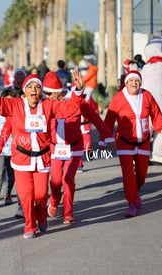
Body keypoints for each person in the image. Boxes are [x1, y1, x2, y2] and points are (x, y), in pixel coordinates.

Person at [0, 64, 85, 239]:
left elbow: (69, 108)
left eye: (37, 87)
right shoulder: (15, 105)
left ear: (41, 92)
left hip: (42, 159)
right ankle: (30, 226)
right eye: (30, 87)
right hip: (21, 159)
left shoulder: (48, 105)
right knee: (27, 195)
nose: (34, 90)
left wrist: (78, 89)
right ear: (25, 90)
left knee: (40, 194)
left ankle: (41, 215)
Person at [44, 72, 114, 224]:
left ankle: (68, 213)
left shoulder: (77, 101)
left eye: (50, 93)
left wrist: (107, 136)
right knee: (55, 181)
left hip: (74, 147)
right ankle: (55, 201)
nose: (47, 96)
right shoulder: (46, 104)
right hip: (55, 147)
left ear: (58, 91)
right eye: (46, 93)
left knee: (68, 179)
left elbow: (95, 117)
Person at [102, 71, 162, 217]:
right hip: (124, 142)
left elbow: (156, 113)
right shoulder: (118, 98)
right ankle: (131, 202)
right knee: (128, 175)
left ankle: (135, 192)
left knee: (141, 174)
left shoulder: (147, 95)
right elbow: (109, 119)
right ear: (126, 83)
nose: (134, 83)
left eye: (137, 80)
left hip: (143, 142)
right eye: (131, 80)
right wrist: (106, 138)